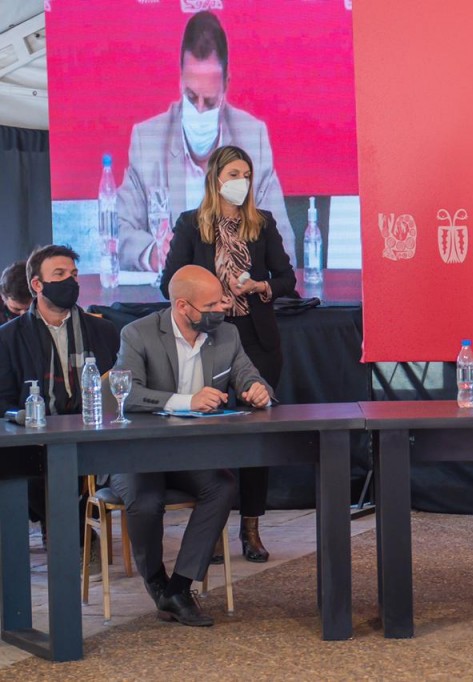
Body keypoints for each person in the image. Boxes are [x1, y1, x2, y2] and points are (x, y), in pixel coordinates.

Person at [111, 264, 273, 627]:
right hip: (137, 452)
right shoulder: (138, 334)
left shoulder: (227, 335)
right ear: (182, 306)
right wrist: (187, 401)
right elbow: (128, 393)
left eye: (221, 302)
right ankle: (156, 581)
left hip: (191, 453)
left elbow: (247, 374)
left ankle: (180, 587)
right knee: (146, 500)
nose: (221, 310)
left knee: (222, 485)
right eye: (211, 305)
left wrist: (257, 389)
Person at [160, 145, 295, 563]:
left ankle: (251, 528)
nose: (242, 182)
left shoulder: (262, 223)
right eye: (234, 174)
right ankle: (212, 527)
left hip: (256, 340)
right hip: (208, 338)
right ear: (216, 178)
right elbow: (168, 283)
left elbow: (287, 278)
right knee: (211, 430)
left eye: (247, 175)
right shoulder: (191, 224)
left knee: (256, 434)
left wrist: (259, 286)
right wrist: (209, 293)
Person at [117, 10, 295, 273]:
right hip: (174, 292)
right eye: (191, 97)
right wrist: (154, 253)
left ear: (226, 86)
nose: (199, 110)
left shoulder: (252, 138)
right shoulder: (148, 140)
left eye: (209, 101)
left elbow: (284, 244)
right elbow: (119, 231)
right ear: (180, 81)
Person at [0, 245, 120, 556]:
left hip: (93, 434)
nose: (70, 281)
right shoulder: (9, 337)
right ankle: (73, 538)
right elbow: (4, 400)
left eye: (74, 274)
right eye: (60, 274)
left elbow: (115, 387)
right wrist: (23, 418)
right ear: (37, 284)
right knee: (34, 470)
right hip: (36, 437)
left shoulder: (103, 330)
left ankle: (71, 537)